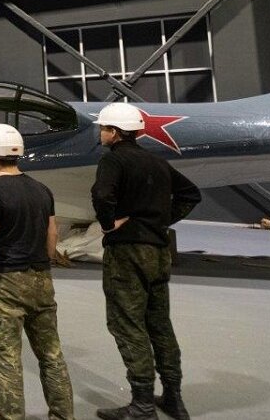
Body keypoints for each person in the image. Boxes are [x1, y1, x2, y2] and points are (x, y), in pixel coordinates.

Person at [92, 103, 202, 420]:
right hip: (158, 251)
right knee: (159, 324)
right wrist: (160, 221)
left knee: (127, 324)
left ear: (114, 132)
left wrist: (109, 224)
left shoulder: (113, 160)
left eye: (103, 128)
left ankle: (141, 404)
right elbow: (191, 194)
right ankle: (173, 398)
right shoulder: (157, 162)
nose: (101, 133)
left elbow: (102, 195)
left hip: (127, 252)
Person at [0, 123, 74, 420]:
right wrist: (44, 262)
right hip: (41, 280)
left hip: (6, 285)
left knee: (6, 358)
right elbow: (52, 234)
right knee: (51, 355)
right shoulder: (42, 190)